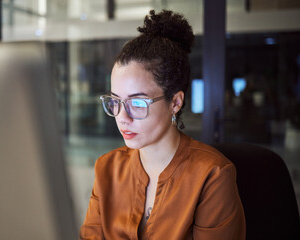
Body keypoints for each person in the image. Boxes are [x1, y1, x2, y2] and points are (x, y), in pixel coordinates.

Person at [80, 10, 245, 240]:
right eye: (116, 101)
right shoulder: (107, 168)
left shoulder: (212, 176)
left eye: (137, 103)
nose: (122, 117)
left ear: (175, 102)